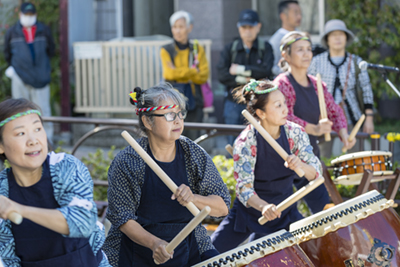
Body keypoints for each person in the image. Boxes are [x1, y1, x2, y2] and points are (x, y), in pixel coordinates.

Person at [103, 84, 231, 266]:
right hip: (138, 248)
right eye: (170, 115)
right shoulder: (128, 161)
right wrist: (154, 243)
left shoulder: (193, 153)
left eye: (180, 114)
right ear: (148, 122)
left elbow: (222, 206)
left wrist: (193, 198)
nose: (178, 121)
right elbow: (123, 218)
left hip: (191, 242)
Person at [211, 79, 322, 253]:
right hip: (249, 212)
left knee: (315, 255)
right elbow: (244, 189)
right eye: (278, 105)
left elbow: (315, 172)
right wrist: (264, 207)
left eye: (284, 103)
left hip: (285, 211)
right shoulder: (246, 141)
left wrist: (300, 164)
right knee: (209, 255)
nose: (285, 109)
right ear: (261, 113)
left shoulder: (295, 132)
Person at [0, 98, 110, 267]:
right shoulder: (3, 190)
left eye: (37, 129)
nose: (33, 140)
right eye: (21, 133)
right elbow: (9, 260)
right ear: (1, 146)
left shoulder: (65, 167)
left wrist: (20, 210)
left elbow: (83, 222)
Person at [274, 31, 355, 213]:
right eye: (300, 50)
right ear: (285, 55)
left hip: (308, 156)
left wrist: (343, 133)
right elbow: (283, 118)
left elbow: (335, 111)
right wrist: (314, 128)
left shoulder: (317, 84)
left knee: (324, 210)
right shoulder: (282, 84)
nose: (306, 54)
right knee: (281, 217)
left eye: (309, 49)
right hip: (283, 158)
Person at [308, 19, 374, 157]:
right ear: (327, 39)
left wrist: (369, 117)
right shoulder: (316, 62)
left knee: (355, 158)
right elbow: (308, 88)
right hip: (323, 119)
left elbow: (366, 89)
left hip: (351, 118)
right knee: (321, 157)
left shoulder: (356, 62)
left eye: (341, 34)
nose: (337, 38)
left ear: (346, 37)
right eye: (333, 34)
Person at [217, 9, 274, 143]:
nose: (247, 31)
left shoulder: (265, 48)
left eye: (251, 27)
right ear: (238, 27)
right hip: (233, 102)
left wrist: (239, 69)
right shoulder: (230, 48)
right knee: (232, 139)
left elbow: (266, 72)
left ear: (258, 27)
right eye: (244, 27)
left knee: (259, 140)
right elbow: (222, 75)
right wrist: (247, 79)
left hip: (258, 102)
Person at [3, 2, 55, 144]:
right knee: (19, 112)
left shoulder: (43, 30)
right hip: (20, 76)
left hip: (40, 77)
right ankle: (20, 142)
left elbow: (51, 50)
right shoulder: (12, 32)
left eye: (31, 15)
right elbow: (7, 53)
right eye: (26, 15)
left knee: (43, 111)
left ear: (35, 15)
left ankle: (47, 143)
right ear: (20, 15)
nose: (28, 18)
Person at [160, 10, 209, 141]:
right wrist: (193, 71)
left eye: (181, 27)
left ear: (189, 27)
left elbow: (203, 75)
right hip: (172, 101)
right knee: (174, 138)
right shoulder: (166, 49)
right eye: (174, 27)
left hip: (195, 98)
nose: (177, 31)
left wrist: (179, 72)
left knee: (195, 139)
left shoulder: (197, 48)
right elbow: (169, 73)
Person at [269, 0, 302, 77]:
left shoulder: (302, 36)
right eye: (295, 13)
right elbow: (273, 67)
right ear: (283, 16)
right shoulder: (275, 40)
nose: (299, 16)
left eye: (300, 13)